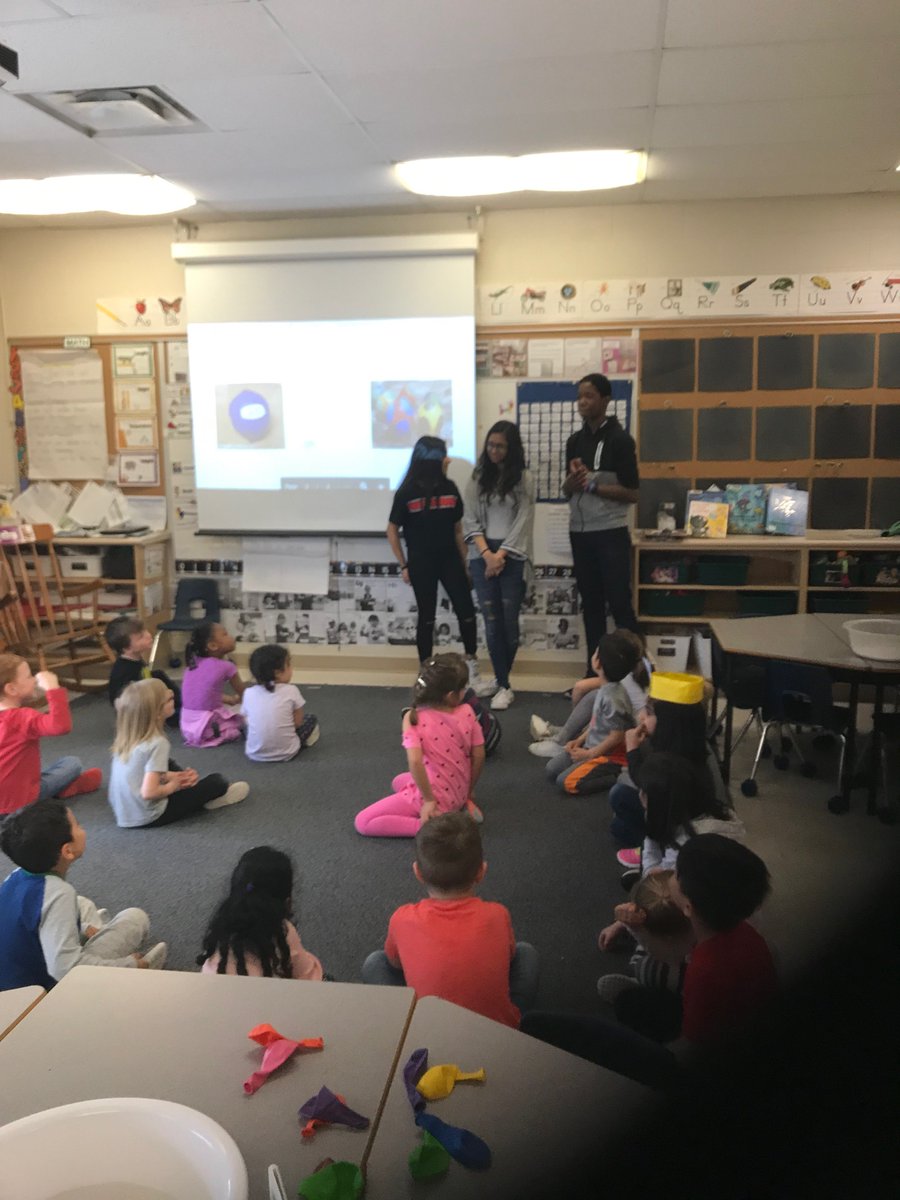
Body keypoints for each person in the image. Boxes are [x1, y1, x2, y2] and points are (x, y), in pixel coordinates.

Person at [520, 835, 776, 1087]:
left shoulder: (706, 970)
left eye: (677, 874)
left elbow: (693, 1046)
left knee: (624, 1012)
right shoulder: (740, 929)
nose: (671, 874)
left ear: (688, 906)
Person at [361, 812, 538, 1027]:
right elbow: (509, 958)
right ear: (481, 871)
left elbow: (394, 963)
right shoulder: (498, 914)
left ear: (418, 873)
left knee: (375, 962)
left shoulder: (402, 918)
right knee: (526, 952)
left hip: (425, 1034)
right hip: (500, 1034)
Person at [0, 800, 166, 990]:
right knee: (136, 918)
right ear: (67, 851)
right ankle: (135, 971)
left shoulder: (17, 875)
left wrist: (81, 928)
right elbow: (64, 968)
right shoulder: (59, 894)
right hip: (44, 994)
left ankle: (89, 931)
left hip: (13, 979)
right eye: (77, 825)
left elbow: (26, 924)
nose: (83, 829)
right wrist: (130, 965)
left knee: (81, 904)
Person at [354, 653, 485, 837]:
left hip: (436, 800)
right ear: (450, 695)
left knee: (363, 822)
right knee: (399, 780)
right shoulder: (467, 711)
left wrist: (429, 801)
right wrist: (468, 791)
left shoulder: (413, 717)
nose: (466, 692)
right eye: (463, 688)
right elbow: (479, 755)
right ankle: (460, 809)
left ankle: (433, 826)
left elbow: (415, 761)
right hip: (459, 792)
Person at [386, 436, 481, 684]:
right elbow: (392, 530)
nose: (447, 460)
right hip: (420, 563)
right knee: (427, 617)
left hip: (450, 560)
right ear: (432, 460)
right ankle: (425, 672)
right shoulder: (406, 492)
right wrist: (404, 564)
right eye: (443, 455)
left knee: (466, 611)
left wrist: (465, 563)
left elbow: (458, 530)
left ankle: (471, 664)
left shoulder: (450, 488)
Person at [609, 671, 727, 868]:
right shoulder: (689, 743)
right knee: (619, 812)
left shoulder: (667, 764)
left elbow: (645, 781)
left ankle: (661, 850)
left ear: (668, 721)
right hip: (683, 816)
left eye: (649, 712)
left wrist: (632, 750)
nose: (641, 716)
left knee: (619, 809)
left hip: (681, 827)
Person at [563, 372, 640, 666]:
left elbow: (632, 493)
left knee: (620, 605)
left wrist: (592, 485)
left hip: (610, 533)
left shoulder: (620, 440)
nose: (582, 402)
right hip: (580, 534)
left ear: (605, 400)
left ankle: (636, 675)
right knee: (591, 607)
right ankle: (594, 674)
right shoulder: (574, 441)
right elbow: (568, 490)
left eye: (589, 396)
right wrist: (573, 482)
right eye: (580, 396)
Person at [109, 678, 249, 828]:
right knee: (217, 781)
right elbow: (149, 792)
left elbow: (141, 774)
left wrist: (174, 776)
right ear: (156, 712)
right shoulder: (157, 743)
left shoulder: (128, 738)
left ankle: (188, 789)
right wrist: (174, 785)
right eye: (168, 698)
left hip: (125, 814)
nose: (171, 694)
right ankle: (212, 800)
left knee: (169, 765)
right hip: (150, 816)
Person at [463, 420, 535, 711]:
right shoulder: (478, 477)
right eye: (490, 445)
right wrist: (487, 554)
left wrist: (501, 555)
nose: (494, 450)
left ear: (511, 448)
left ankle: (503, 680)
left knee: (509, 624)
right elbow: (470, 518)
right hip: (483, 556)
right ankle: (503, 683)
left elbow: (524, 520)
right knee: (492, 624)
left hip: (513, 557)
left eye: (500, 446)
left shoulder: (524, 478)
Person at [198, 846, 324, 980]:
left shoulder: (221, 923)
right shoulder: (282, 932)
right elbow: (308, 976)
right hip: (262, 997)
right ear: (286, 900)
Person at [0, 654, 101, 815]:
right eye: (29, 676)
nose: (34, 680)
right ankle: (66, 788)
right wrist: (53, 689)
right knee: (72, 763)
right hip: (21, 802)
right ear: (11, 689)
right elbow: (60, 726)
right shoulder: (22, 718)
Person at [529, 628, 651, 757]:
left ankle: (562, 740)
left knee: (593, 696)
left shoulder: (621, 680)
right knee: (599, 698)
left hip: (628, 731)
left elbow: (579, 687)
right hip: (637, 724)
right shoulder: (639, 666)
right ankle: (565, 732)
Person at [544, 632, 639, 795]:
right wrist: (579, 740)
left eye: (596, 652)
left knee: (566, 782)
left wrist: (588, 754)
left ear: (598, 663)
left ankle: (617, 776)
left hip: (609, 756)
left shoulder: (614, 698)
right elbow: (598, 722)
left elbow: (616, 737)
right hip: (591, 746)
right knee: (551, 769)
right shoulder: (605, 689)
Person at [241, 644, 319, 762]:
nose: (291, 669)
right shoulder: (291, 690)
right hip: (288, 752)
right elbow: (297, 723)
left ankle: (261, 740)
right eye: (288, 665)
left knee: (249, 726)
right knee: (311, 718)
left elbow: (245, 720)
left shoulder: (248, 692)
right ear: (277, 672)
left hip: (254, 753)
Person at [105, 614, 181, 727]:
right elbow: (118, 701)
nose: (148, 635)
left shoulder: (135, 659)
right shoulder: (123, 670)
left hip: (147, 698)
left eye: (145, 631)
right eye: (141, 636)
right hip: (136, 712)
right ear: (126, 648)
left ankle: (183, 704)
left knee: (158, 675)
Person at [180, 620, 246, 747]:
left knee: (230, 709)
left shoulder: (194, 662)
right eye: (225, 634)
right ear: (213, 646)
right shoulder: (227, 666)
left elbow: (204, 691)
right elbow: (244, 695)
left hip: (187, 725)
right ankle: (220, 733)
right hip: (206, 725)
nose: (231, 637)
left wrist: (230, 699)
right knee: (241, 719)